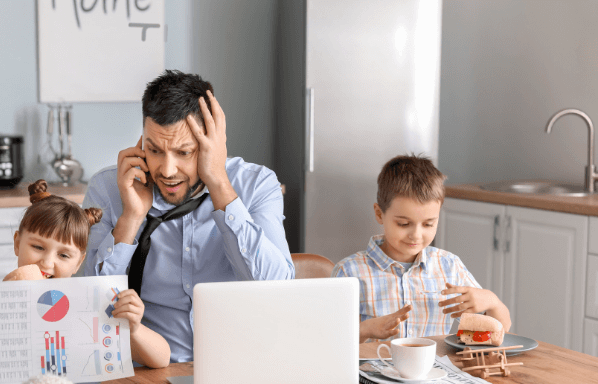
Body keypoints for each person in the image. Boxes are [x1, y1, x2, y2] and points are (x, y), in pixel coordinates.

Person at [82, 70, 294, 363]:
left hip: (238, 363)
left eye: (184, 152)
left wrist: (219, 184)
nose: (167, 170)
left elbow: (279, 291)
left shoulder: (256, 185)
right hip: (144, 369)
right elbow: (86, 309)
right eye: (155, 150)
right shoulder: (109, 188)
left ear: (212, 142)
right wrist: (131, 218)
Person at [0, 180, 171, 384]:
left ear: (78, 262)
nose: (47, 262)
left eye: (64, 255)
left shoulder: (90, 305)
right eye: (38, 247)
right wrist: (1, 326)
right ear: (17, 243)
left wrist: (134, 328)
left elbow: (161, 359)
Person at [332, 154, 511, 341]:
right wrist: (364, 329)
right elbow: (327, 341)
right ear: (379, 214)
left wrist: (493, 302)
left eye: (428, 224)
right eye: (403, 224)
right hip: (370, 369)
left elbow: (491, 335)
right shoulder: (349, 272)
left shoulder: (449, 266)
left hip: (439, 369)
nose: (416, 235)